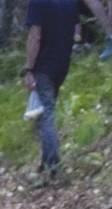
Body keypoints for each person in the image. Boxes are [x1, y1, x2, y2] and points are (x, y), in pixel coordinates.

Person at [21, 0, 79, 181]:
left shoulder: (37, 3)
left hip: (43, 67)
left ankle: (52, 165)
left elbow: (35, 35)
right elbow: (77, 31)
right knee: (43, 113)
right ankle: (45, 161)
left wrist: (28, 68)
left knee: (44, 114)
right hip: (62, 66)